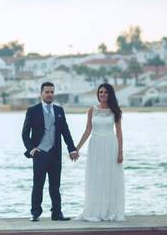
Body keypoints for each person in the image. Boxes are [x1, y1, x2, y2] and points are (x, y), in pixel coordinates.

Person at [22, 82, 78, 222]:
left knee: (55, 185)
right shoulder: (32, 110)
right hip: (40, 153)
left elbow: (65, 131)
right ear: (41, 93)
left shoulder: (59, 110)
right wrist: (31, 149)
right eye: (47, 92)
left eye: (52, 92)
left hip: (55, 153)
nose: (49, 94)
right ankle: (35, 213)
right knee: (38, 184)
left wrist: (71, 149)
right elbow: (24, 134)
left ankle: (56, 213)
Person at [73, 83, 125, 221]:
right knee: (96, 177)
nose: (102, 94)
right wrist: (77, 148)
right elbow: (88, 130)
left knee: (110, 177)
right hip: (95, 146)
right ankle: (95, 210)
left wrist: (120, 152)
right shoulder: (92, 110)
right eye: (100, 92)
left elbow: (119, 133)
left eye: (105, 92)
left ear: (110, 94)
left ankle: (110, 210)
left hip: (110, 145)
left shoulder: (115, 111)